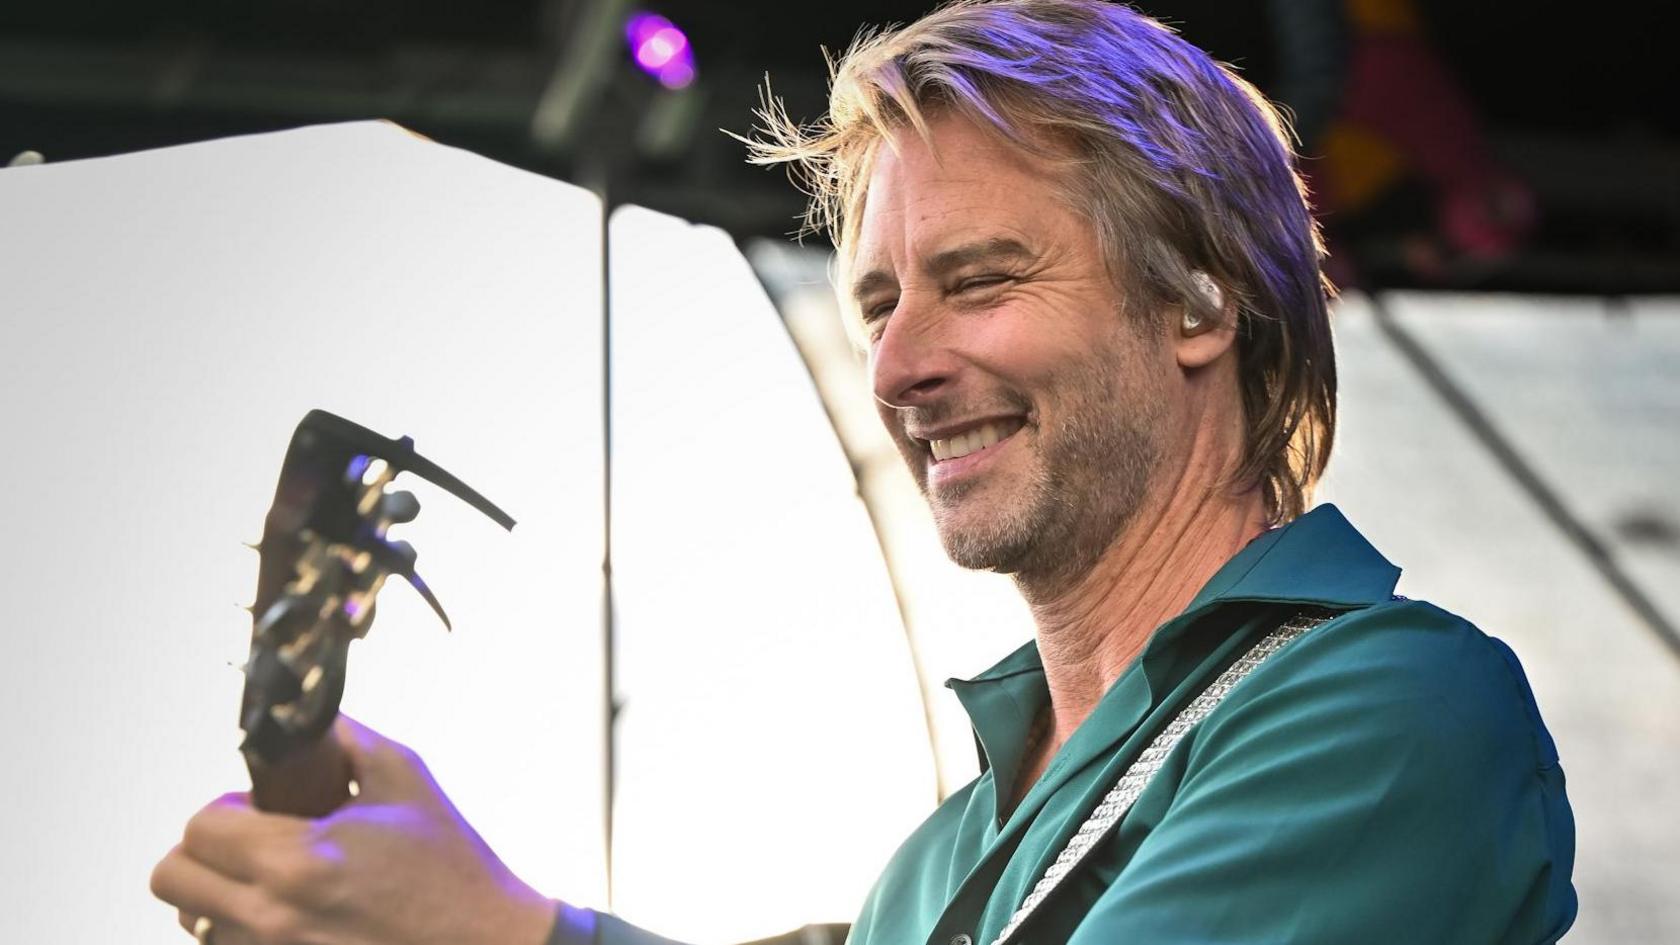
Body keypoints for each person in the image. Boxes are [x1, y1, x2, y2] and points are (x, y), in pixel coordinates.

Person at [150, 1, 1577, 942]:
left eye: (979, 279)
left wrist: (508, 932)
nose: (898, 367)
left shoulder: (1387, 709)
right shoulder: (937, 861)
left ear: (1201, 304)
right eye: (882, 303)